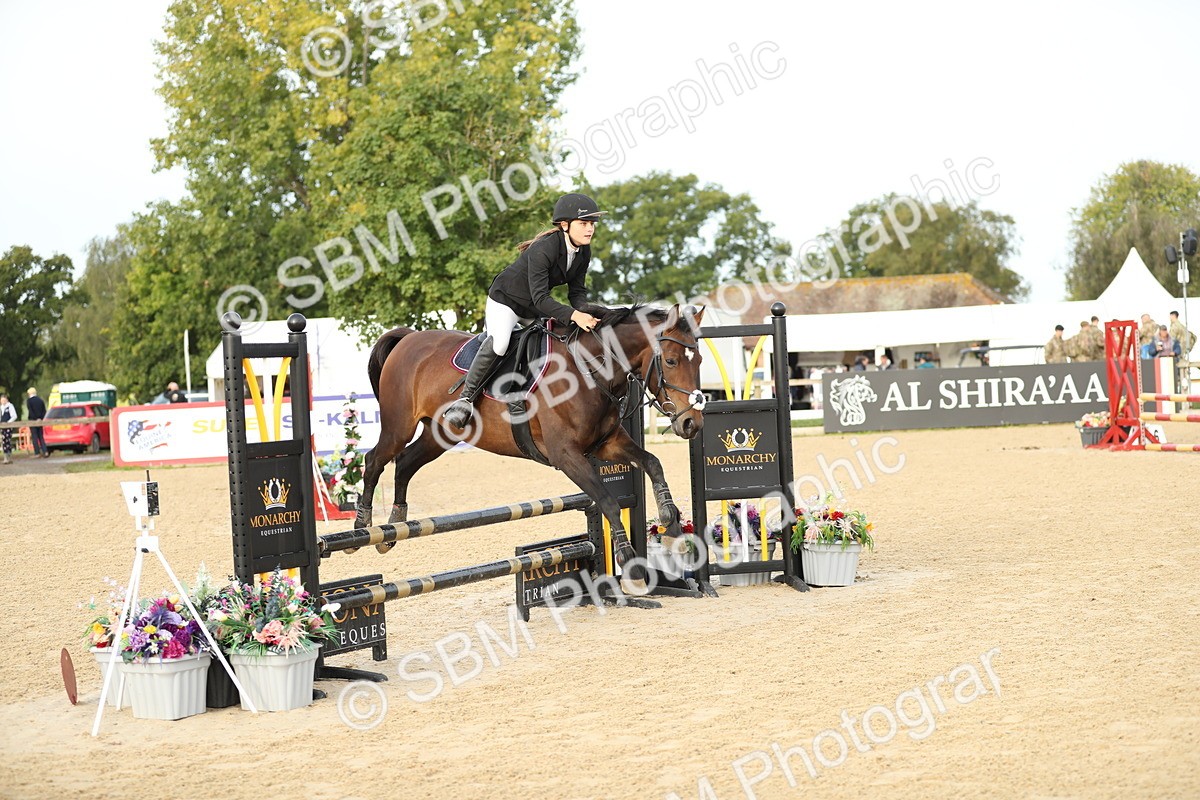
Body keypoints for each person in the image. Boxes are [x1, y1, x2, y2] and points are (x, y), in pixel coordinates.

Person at [443, 192, 606, 429]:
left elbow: (576, 294)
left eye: (591, 224)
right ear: (565, 225)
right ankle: (465, 399)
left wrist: (593, 312)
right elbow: (541, 298)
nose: (589, 229)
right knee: (500, 343)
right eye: (583, 223)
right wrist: (573, 315)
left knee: (554, 340)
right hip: (506, 301)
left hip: (532, 307)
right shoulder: (545, 249)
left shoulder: (583, 252)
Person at [25, 387, 47, 458]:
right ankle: (45, 451)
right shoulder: (40, 400)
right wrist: (40, 418)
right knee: (41, 436)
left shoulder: (29, 401)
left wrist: (34, 418)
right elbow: (44, 410)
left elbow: (31, 411)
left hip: (33, 420)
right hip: (40, 421)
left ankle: (37, 452)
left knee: (34, 437)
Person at [0, 393, 16, 465]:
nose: (2, 402)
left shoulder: (10, 406)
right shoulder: (1, 407)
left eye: (4, 400)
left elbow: (14, 416)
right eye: (1, 400)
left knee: (7, 440)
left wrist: (8, 422)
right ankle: (5, 457)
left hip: (8, 426)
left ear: (6, 400)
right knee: (3, 441)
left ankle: (9, 457)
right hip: (2, 426)